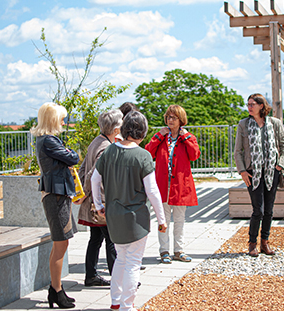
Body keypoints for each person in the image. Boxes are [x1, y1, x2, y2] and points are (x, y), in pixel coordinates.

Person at [90, 111, 167, 311]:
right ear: (143, 132)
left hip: (113, 216)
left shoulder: (108, 152)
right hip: (136, 219)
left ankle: (116, 301)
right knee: (133, 262)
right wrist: (161, 219)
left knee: (121, 260)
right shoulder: (143, 155)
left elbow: (94, 179)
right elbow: (152, 191)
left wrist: (99, 205)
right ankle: (127, 305)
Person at [31, 102, 80, 309]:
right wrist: (69, 154)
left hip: (58, 194)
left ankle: (56, 289)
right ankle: (56, 291)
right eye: (61, 117)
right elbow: (73, 157)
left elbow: (69, 158)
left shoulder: (46, 140)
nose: (64, 121)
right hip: (56, 195)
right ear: (53, 119)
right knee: (61, 243)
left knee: (62, 243)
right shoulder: (49, 141)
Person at [234, 93, 284, 257]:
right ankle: (252, 244)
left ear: (261, 106)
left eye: (252, 104)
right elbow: (238, 151)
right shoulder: (243, 124)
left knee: (269, 211)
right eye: (248, 104)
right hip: (252, 172)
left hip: (272, 171)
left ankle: (265, 242)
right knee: (258, 210)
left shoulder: (275, 123)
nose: (249, 107)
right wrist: (242, 171)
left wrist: (280, 166)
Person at [145, 105, 200, 264]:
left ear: (180, 120)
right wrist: (157, 136)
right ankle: (164, 251)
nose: (170, 120)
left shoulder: (188, 137)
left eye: (173, 117)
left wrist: (186, 138)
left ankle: (179, 250)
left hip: (181, 186)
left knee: (179, 219)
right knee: (163, 220)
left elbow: (195, 155)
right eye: (168, 117)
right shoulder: (161, 137)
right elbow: (148, 153)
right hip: (162, 185)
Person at [76, 109, 123, 287]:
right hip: (100, 202)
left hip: (93, 201)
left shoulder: (96, 141)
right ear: (116, 130)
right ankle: (118, 278)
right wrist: (85, 194)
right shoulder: (106, 148)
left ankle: (91, 275)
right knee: (112, 241)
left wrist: (80, 191)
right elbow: (92, 174)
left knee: (95, 239)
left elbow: (83, 168)